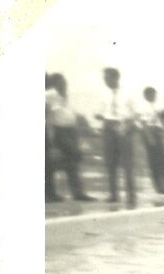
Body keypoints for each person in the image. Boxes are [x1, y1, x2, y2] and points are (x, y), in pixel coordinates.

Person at [45, 73, 94, 202]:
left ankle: (77, 193)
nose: (63, 85)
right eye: (60, 83)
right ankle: (50, 194)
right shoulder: (49, 96)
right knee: (53, 163)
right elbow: (46, 116)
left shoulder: (68, 97)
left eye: (64, 82)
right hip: (58, 131)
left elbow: (74, 116)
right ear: (54, 85)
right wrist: (51, 139)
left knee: (73, 163)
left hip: (71, 131)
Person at [95, 67, 137, 206]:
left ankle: (131, 195)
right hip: (108, 127)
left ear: (115, 78)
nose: (105, 80)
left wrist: (126, 126)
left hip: (123, 126)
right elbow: (100, 112)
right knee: (110, 162)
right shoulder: (103, 94)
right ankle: (114, 194)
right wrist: (99, 115)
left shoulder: (128, 93)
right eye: (104, 78)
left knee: (127, 163)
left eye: (107, 77)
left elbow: (134, 113)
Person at [138, 87, 164, 195]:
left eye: (155, 95)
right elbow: (144, 124)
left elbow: (161, 120)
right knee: (155, 162)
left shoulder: (154, 107)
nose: (154, 97)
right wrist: (149, 137)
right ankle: (160, 187)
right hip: (150, 132)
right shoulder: (143, 107)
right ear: (146, 95)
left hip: (157, 132)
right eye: (152, 95)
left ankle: (162, 186)